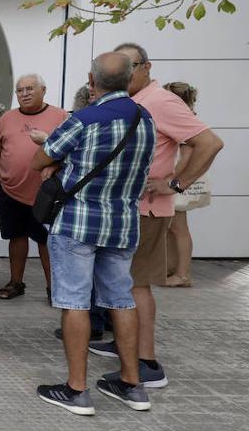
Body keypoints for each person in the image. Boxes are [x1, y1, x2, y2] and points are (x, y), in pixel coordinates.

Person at [86, 44, 223, 388]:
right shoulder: (133, 101)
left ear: (146, 67)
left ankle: (146, 363)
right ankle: (124, 343)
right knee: (123, 283)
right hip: (127, 207)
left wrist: (176, 183)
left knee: (136, 285)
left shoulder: (160, 100)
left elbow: (209, 142)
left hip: (146, 209)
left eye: (129, 67)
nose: (124, 74)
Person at [32, 52, 157, 415]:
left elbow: (42, 158)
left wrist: (59, 159)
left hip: (77, 222)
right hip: (121, 222)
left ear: (92, 80)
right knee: (121, 299)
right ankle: (131, 384)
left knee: (74, 301)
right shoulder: (144, 118)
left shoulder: (85, 119)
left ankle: (76, 389)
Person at [0, 73, 67, 301]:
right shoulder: (7, 118)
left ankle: (55, 289)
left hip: (45, 193)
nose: (24, 94)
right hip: (10, 191)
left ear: (44, 90)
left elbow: (70, 151)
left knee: (46, 241)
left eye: (30, 89)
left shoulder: (60, 116)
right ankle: (16, 283)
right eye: (20, 90)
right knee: (16, 237)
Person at [162, 82, 202, 288]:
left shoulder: (184, 121)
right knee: (170, 228)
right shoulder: (184, 118)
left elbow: (185, 157)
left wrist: (170, 181)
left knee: (179, 228)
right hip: (179, 180)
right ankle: (171, 269)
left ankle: (183, 274)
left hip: (178, 181)